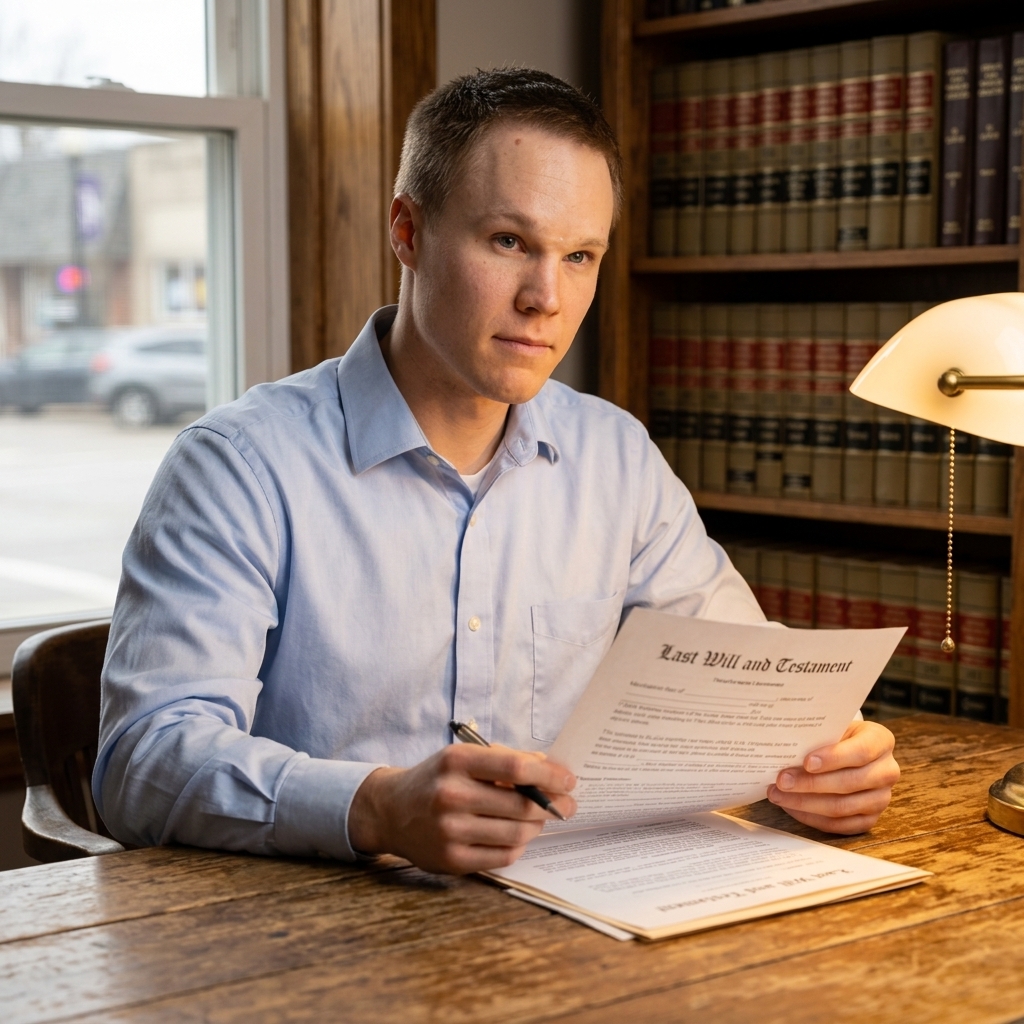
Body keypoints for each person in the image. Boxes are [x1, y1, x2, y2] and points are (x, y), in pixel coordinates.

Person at [93, 68, 899, 875]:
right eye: (509, 242)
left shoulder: (616, 458)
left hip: (580, 908)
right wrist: (375, 807)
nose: (545, 298)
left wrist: (830, 758)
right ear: (408, 232)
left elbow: (753, 680)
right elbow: (142, 762)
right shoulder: (239, 466)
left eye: (579, 256)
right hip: (317, 924)